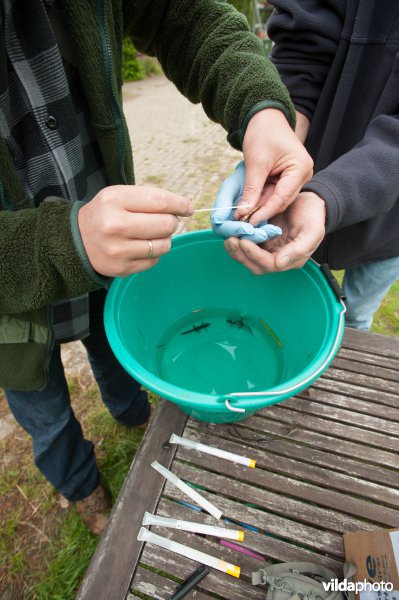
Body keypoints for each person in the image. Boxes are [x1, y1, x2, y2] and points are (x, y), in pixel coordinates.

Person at [0, 0, 313, 534]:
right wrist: (60, 243)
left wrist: (260, 109)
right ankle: (82, 488)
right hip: (11, 316)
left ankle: (133, 420)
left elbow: (183, 16)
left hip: (110, 259)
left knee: (114, 353)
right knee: (44, 412)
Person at [212, 0, 399, 331]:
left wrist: (329, 195)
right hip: (293, 202)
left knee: (356, 316)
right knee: (286, 304)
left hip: (388, 229)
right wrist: (278, 133)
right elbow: (302, 51)